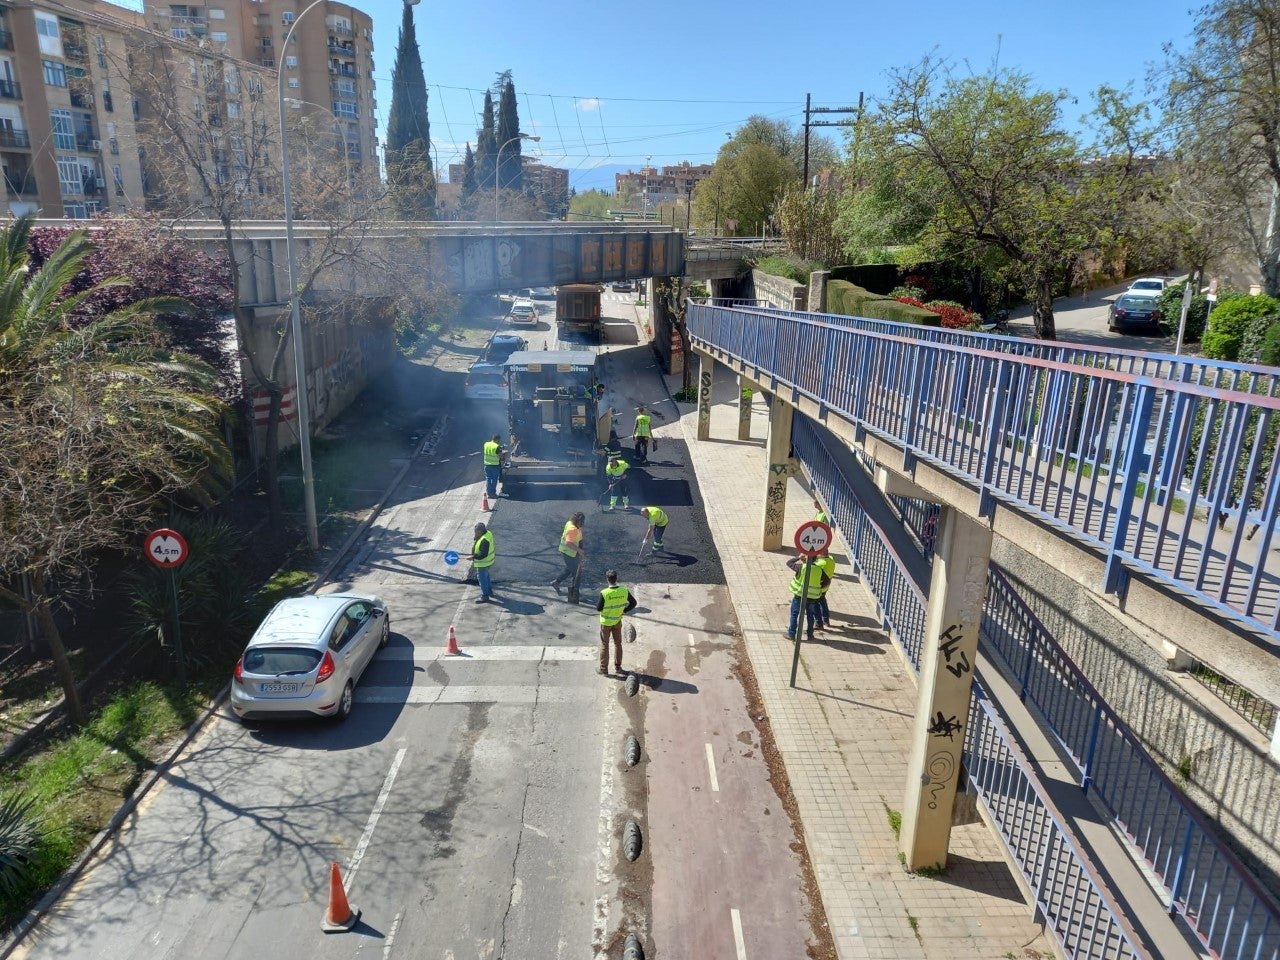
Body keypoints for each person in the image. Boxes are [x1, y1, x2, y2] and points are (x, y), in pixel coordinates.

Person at [596, 569, 637, 676]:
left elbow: (599, 608)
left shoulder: (604, 593)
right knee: (618, 644)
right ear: (616, 579)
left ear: (607, 579)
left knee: (605, 645)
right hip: (617, 622)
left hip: (606, 623)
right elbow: (633, 603)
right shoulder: (624, 591)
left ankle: (603, 669)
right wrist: (624, 610)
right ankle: (618, 667)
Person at [785, 552, 829, 640]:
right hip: (813, 597)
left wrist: (798, 557)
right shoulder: (819, 569)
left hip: (799, 596)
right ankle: (810, 635)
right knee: (810, 616)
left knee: (795, 614)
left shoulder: (801, 567)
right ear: (815, 559)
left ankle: (792, 634)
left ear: (805, 558)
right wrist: (820, 588)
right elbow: (827, 581)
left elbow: (789, 563)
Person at [551, 512, 586, 594]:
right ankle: (575, 592)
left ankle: (556, 583)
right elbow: (568, 543)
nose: (582, 524)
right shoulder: (572, 529)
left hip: (571, 552)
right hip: (568, 552)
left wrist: (580, 549)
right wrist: (580, 550)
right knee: (577, 572)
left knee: (569, 569)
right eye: (581, 522)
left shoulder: (570, 522)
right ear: (578, 521)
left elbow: (578, 537)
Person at [471, 522, 496, 603]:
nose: (475, 533)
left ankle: (485, 596)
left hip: (483, 562)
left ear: (480, 531)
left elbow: (482, 555)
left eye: (476, 531)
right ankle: (489, 591)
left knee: (482, 579)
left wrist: (473, 556)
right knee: (486, 576)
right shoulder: (488, 533)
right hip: (489, 561)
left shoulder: (484, 540)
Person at [813, 547, 836, 631]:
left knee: (816, 604)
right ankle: (826, 619)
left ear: (821, 554)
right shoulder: (831, 559)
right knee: (823, 601)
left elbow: (813, 566)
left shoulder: (821, 563)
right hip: (826, 586)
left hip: (819, 587)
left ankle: (819, 623)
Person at [483, 434, 504, 499]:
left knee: (488, 479)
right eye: (499, 440)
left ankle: (489, 493)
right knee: (494, 480)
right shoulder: (497, 446)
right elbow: (500, 456)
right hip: (494, 466)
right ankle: (493, 494)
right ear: (497, 439)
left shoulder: (486, 444)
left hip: (487, 465)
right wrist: (502, 452)